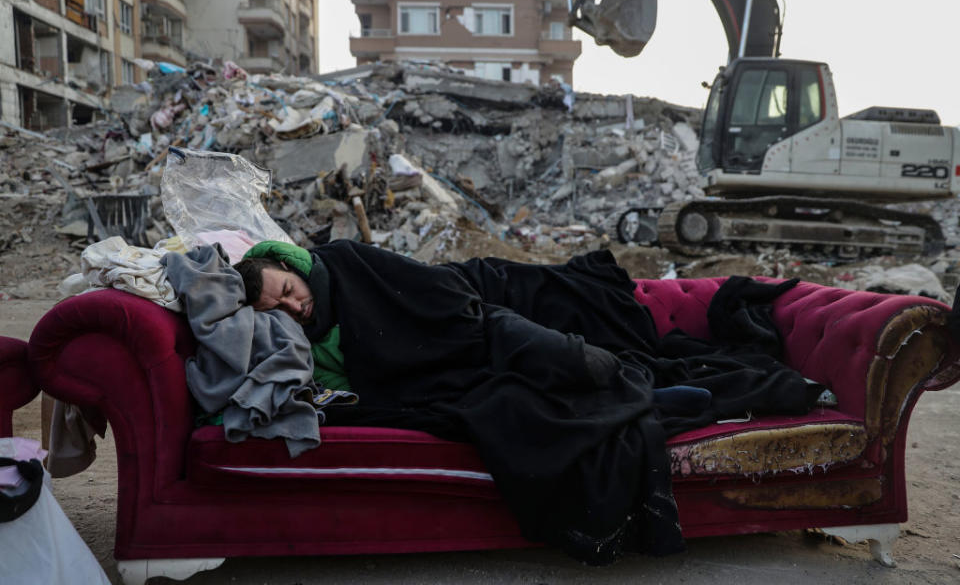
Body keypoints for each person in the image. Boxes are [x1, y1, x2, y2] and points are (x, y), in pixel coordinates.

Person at [233, 239, 823, 564]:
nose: (294, 307)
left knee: (578, 361)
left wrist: (468, 336)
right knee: (516, 408)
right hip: (452, 376)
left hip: (486, 324)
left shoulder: (349, 261)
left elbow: (444, 295)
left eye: (288, 292)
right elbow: (372, 385)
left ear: (293, 267)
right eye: (276, 310)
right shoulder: (310, 345)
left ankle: (661, 386)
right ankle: (668, 401)